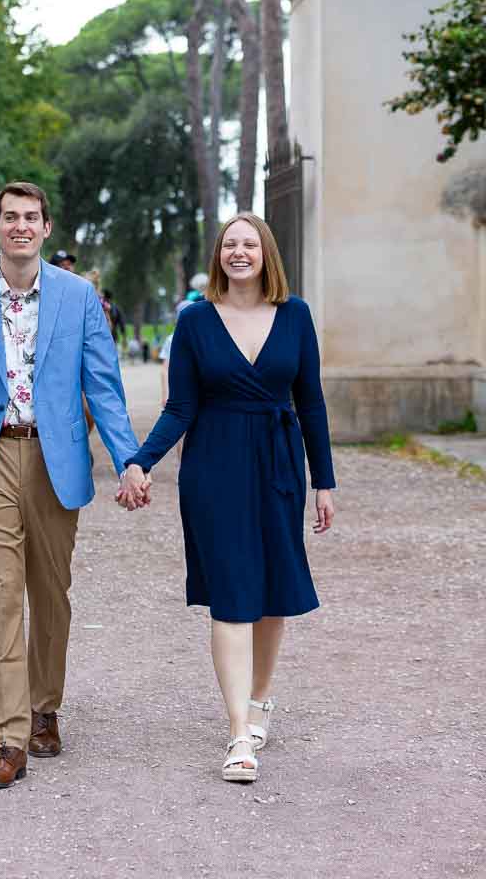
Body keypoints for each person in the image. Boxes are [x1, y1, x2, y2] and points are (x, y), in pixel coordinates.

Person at [0, 181, 147, 790]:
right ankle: (8, 738)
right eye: (10, 217)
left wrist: (129, 459)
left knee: (51, 593)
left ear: (46, 229)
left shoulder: (79, 298)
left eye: (31, 217)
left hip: (56, 460)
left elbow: (104, 388)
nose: (21, 226)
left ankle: (46, 706)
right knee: (0, 594)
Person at [119, 212, 335, 784]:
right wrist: (141, 460)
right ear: (218, 256)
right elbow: (180, 409)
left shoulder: (295, 316)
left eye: (250, 244)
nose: (239, 252)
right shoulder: (194, 322)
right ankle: (239, 732)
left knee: (272, 594)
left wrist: (324, 482)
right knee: (232, 595)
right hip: (214, 468)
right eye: (230, 245)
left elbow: (310, 403)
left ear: (267, 254)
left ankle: (262, 699)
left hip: (279, 466)